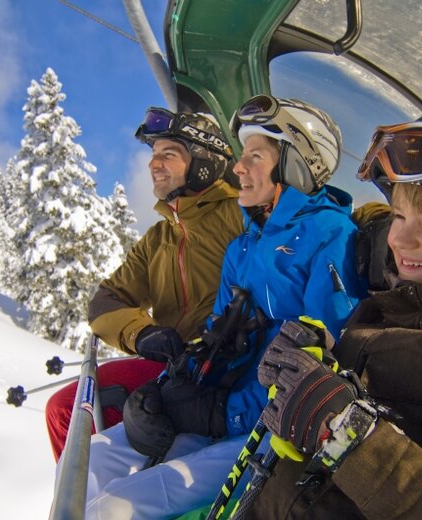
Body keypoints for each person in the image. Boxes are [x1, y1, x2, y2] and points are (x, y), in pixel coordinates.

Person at [81, 96, 368, 518]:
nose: (239, 167)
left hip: (267, 429)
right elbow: (217, 337)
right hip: (230, 409)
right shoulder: (244, 244)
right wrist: (169, 390)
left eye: (254, 156)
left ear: (292, 165)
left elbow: (315, 364)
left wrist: (223, 416)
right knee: (96, 457)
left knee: (115, 507)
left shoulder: (331, 237)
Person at [243, 101, 422, 519]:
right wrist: (322, 361)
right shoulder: (393, 306)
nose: (399, 240)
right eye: (398, 215)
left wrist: (346, 434)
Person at [44, 107, 243, 462]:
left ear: (204, 162)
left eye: (169, 154)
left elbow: (306, 221)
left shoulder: (239, 212)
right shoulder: (159, 237)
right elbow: (106, 301)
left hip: (220, 366)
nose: (154, 164)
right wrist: (142, 333)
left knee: (67, 410)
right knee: (67, 411)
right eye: (154, 155)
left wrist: (374, 221)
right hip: (170, 365)